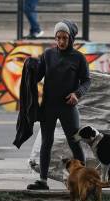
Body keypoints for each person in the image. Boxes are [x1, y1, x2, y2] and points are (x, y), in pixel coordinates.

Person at [27, 20, 91, 190]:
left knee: (75, 142)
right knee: (46, 142)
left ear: (71, 39)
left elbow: (86, 81)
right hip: (48, 106)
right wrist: (30, 68)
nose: (61, 41)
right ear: (55, 38)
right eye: (58, 38)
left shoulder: (78, 58)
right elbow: (37, 77)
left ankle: (82, 179)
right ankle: (42, 180)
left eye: (65, 38)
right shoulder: (48, 55)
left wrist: (77, 94)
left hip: (68, 107)